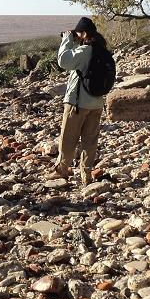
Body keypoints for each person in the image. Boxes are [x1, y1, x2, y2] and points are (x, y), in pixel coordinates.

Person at [47, 17, 111, 186]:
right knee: (90, 141)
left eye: (78, 34)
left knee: (68, 138)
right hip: (96, 104)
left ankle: (62, 170)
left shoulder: (85, 51)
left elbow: (63, 61)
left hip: (77, 104)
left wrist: (67, 39)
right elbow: (80, 62)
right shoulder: (101, 50)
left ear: (83, 33)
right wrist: (76, 41)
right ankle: (86, 174)